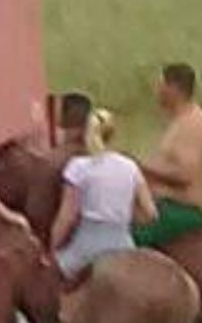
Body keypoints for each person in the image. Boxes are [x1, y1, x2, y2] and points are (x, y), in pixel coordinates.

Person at [52, 108, 157, 282]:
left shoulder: (78, 167)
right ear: (112, 135)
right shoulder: (130, 166)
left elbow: (67, 217)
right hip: (122, 242)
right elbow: (150, 213)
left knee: (49, 280)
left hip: (88, 243)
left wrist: (52, 248)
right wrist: (124, 217)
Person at [134, 62, 202, 247]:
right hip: (164, 207)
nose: (156, 91)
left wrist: (140, 166)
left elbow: (185, 173)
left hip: (179, 212)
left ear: (173, 89)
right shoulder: (179, 121)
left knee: (128, 241)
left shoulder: (193, 124)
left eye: (161, 86)